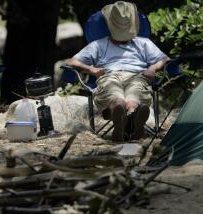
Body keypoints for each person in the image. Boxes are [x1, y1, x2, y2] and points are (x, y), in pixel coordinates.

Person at [67, 1, 170, 141]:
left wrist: (152, 68)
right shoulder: (98, 45)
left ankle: (128, 121)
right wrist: (90, 69)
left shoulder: (143, 42)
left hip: (137, 76)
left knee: (134, 95)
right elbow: (72, 62)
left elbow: (164, 59)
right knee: (117, 99)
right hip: (109, 76)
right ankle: (128, 120)